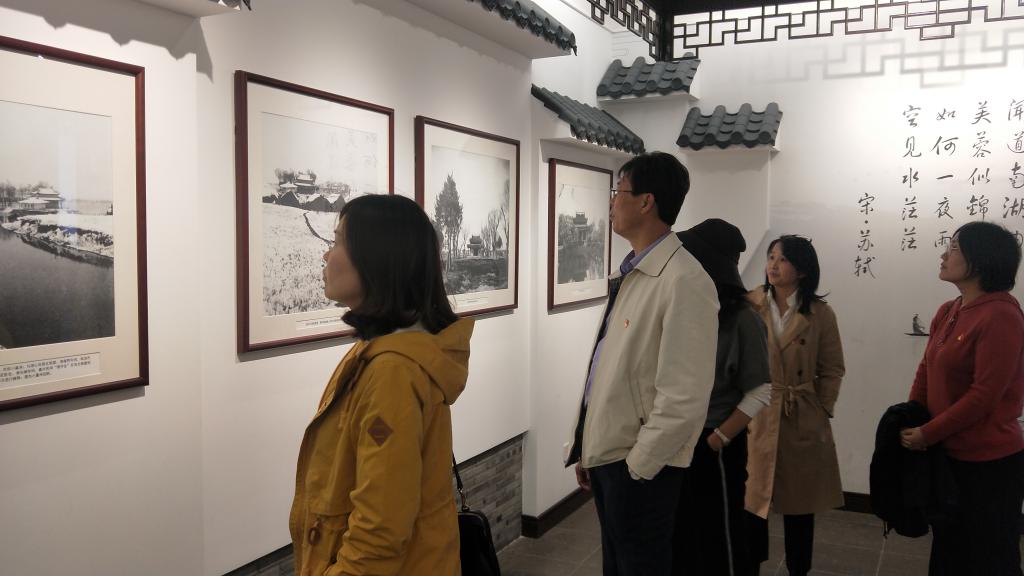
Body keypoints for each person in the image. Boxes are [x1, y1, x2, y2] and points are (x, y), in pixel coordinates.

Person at [289, 194, 472, 576]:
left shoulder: (393, 372)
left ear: (376, 259)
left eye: (338, 241)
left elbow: (379, 533)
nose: (327, 255)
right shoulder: (382, 353)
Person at [565, 151, 719, 575]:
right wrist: (588, 446)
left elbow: (684, 397)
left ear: (646, 201)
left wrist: (639, 467)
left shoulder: (684, 280)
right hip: (612, 458)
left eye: (619, 190)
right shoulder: (635, 273)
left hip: (639, 468)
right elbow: (608, 372)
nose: (612, 201)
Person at [901, 221, 1024, 576]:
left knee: (988, 557)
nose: (944, 255)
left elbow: (984, 396)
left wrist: (928, 433)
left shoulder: (1002, 315)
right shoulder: (949, 309)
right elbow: (926, 370)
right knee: (949, 552)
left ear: (981, 259)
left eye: (954, 248)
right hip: (948, 454)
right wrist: (912, 417)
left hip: (988, 464)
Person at [673, 219, 771, 576]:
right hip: (675, 438)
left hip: (714, 444)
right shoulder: (684, 309)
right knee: (684, 536)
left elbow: (760, 388)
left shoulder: (743, 319)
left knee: (721, 537)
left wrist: (718, 438)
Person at [745, 235, 845, 576]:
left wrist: (822, 409)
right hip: (756, 415)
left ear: (802, 270)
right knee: (752, 504)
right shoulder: (750, 303)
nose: (773, 265)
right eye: (771, 257)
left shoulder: (820, 313)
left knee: (800, 508)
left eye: (783, 259)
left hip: (801, 415)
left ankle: (798, 570)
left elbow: (832, 368)